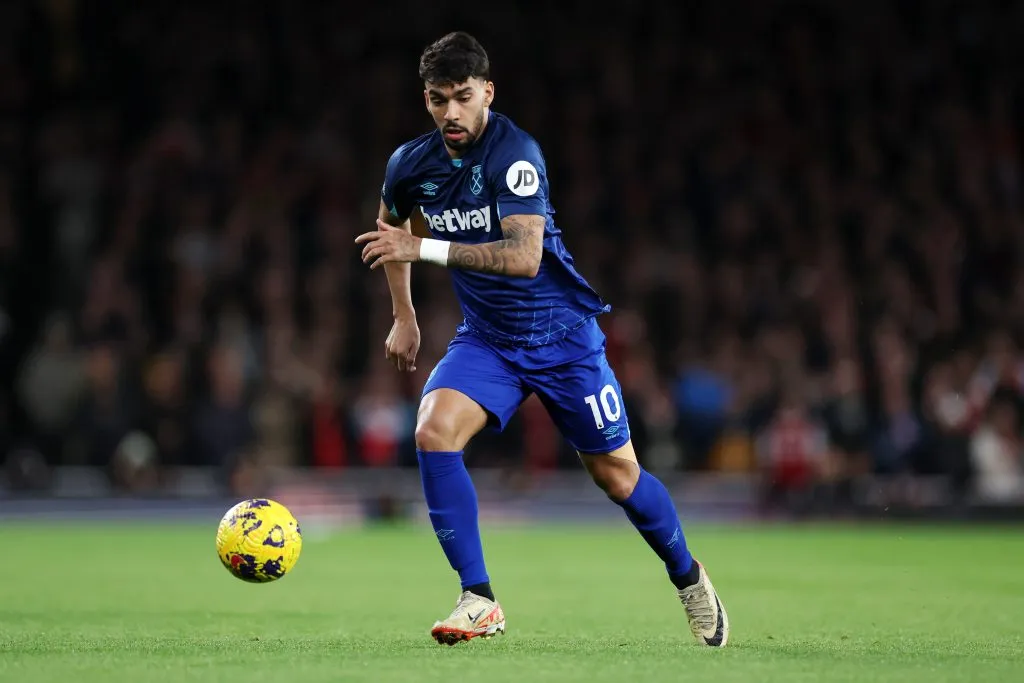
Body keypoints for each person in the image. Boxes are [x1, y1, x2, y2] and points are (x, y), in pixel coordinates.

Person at [355, 31, 729, 647]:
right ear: (425, 99)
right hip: (490, 342)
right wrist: (405, 316)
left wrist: (423, 248)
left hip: (564, 339)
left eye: (463, 97)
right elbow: (389, 228)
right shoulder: (409, 165)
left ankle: (689, 578)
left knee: (617, 478)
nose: (451, 112)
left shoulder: (515, 153)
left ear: (487, 93)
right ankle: (478, 599)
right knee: (432, 429)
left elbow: (525, 257)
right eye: (438, 99)